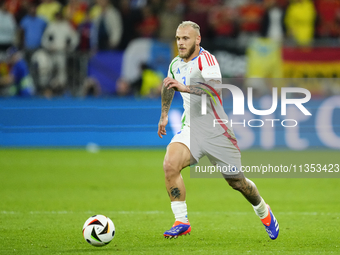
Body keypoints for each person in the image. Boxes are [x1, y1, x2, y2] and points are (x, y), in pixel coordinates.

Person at [157, 21, 279, 239]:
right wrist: (164, 115)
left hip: (216, 131)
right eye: (178, 38)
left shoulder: (207, 60)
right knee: (169, 164)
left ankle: (264, 211)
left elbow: (214, 88)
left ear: (197, 39)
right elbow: (169, 85)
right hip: (191, 129)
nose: (181, 43)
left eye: (186, 38)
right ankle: (181, 221)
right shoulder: (176, 64)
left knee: (237, 182)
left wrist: (184, 87)